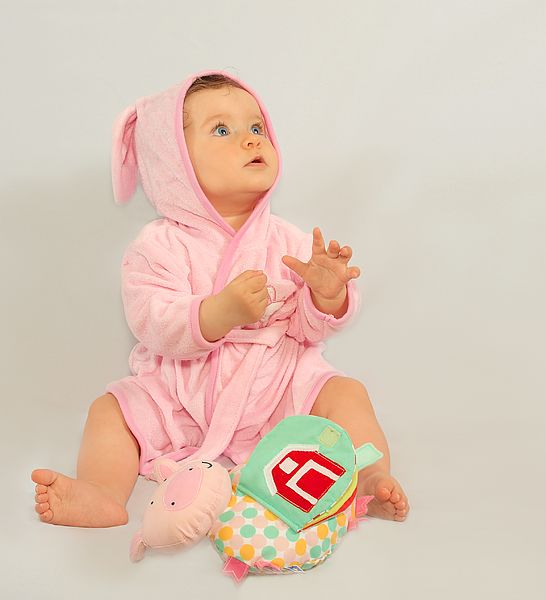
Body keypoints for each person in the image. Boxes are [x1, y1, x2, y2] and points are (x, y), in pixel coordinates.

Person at [31, 70, 409, 527]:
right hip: (182, 393)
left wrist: (325, 296)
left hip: (275, 390)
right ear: (175, 165)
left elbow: (306, 331)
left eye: (256, 128)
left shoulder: (287, 238)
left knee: (345, 392)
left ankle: (369, 476)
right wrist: (218, 313)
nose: (251, 141)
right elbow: (151, 320)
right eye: (223, 130)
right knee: (111, 409)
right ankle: (101, 491)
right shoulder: (157, 247)